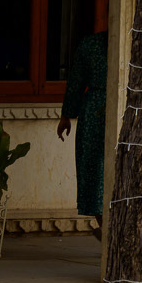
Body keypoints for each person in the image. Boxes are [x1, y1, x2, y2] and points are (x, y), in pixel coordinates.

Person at [58, 29, 108, 231]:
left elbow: (76, 82)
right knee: (94, 169)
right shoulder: (90, 45)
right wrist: (67, 114)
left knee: (96, 170)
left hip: (101, 110)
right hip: (97, 113)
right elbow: (76, 81)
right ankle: (106, 229)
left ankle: (107, 229)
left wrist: (66, 115)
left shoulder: (136, 41)